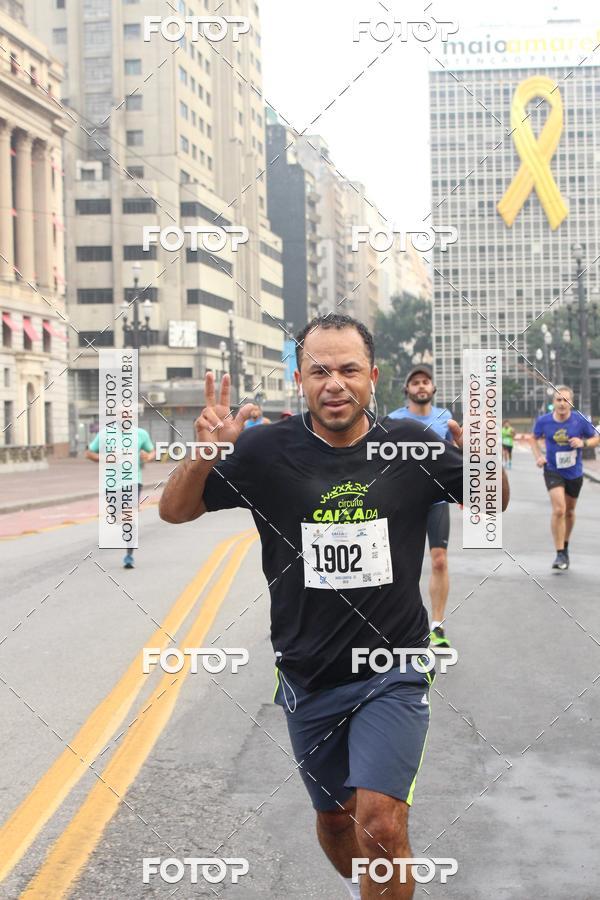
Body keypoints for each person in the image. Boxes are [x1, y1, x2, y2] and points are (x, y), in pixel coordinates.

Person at [159, 314, 510, 900]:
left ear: (373, 376)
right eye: (320, 370)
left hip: (392, 667)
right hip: (308, 671)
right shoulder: (264, 450)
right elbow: (174, 511)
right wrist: (201, 456)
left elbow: (491, 500)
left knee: (380, 826)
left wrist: (480, 455)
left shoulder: (412, 444)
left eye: (349, 369)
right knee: (334, 824)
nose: (335, 383)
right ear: (300, 379)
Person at [388, 365, 454, 651]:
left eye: (426, 382)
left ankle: (437, 626)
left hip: (435, 499)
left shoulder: (445, 418)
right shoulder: (393, 420)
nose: (421, 386)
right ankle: (396, 625)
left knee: (439, 561)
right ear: (407, 389)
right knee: (398, 565)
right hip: (402, 502)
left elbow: (453, 456)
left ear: (433, 388)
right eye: (415, 382)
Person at [530, 385, 599, 571]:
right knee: (559, 509)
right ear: (554, 402)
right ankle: (559, 552)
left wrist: (583, 442)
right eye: (558, 400)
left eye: (565, 400)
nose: (562, 404)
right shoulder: (544, 421)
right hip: (553, 469)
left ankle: (565, 546)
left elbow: (596, 437)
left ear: (571, 403)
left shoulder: (580, 421)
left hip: (574, 472)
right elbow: (533, 438)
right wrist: (539, 456)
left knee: (569, 511)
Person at [86, 425, 155, 568]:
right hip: (111, 484)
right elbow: (89, 453)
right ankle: (124, 521)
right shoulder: (105, 434)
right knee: (118, 519)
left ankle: (129, 555)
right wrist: (106, 458)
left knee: (128, 516)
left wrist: (148, 456)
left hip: (133, 481)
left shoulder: (141, 433)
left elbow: (152, 451)